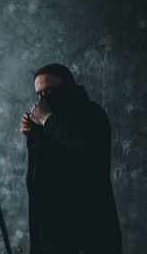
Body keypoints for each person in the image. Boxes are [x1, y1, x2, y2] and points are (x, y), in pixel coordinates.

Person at [20, 63, 122, 254]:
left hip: (91, 230)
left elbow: (86, 146)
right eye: (39, 95)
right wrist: (33, 137)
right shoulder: (46, 126)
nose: (44, 99)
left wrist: (46, 120)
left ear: (67, 87)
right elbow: (38, 181)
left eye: (49, 91)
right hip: (51, 236)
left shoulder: (91, 113)